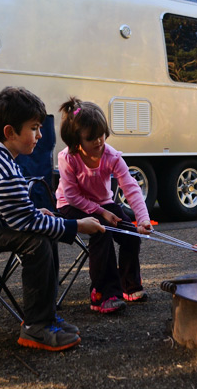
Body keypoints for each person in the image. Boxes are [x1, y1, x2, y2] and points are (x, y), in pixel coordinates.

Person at [0, 87, 104, 351]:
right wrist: (76, 225)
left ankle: (45, 316)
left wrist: (39, 215)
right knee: (37, 241)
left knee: (46, 231)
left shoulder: (0, 158)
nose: (40, 135)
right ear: (10, 132)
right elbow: (23, 222)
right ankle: (35, 327)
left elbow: (18, 212)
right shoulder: (2, 167)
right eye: (34, 128)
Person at [55, 97, 153, 314]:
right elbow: (71, 196)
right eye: (92, 138)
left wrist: (143, 218)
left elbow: (131, 187)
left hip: (103, 203)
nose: (99, 141)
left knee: (130, 233)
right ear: (75, 141)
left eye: (102, 134)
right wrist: (101, 213)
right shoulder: (68, 158)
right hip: (71, 206)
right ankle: (103, 293)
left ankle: (129, 285)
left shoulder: (112, 156)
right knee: (101, 230)